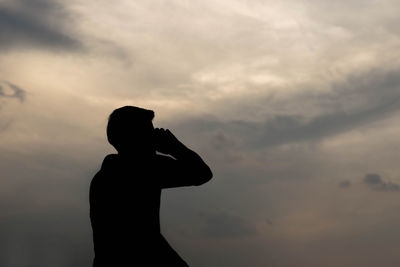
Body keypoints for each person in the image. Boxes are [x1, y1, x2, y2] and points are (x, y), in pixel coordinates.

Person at [89, 106, 213, 266]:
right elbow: (202, 173)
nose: (153, 138)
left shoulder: (106, 175)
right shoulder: (143, 169)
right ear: (134, 138)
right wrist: (174, 146)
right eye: (148, 131)